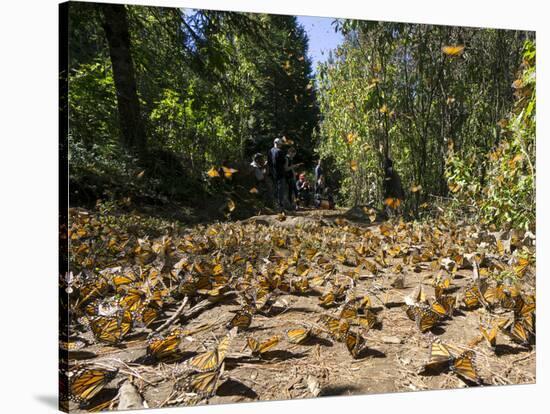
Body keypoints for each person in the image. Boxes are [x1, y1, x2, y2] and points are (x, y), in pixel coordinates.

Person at [267, 138, 287, 210]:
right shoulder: (280, 151)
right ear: (278, 144)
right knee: (280, 190)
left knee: (275, 189)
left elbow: (269, 163)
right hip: (280, 173)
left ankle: (275, 205)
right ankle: (280, 207)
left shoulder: (270, 151)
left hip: (272, 174)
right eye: (280, 144)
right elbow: (284, 162)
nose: (281, 145)